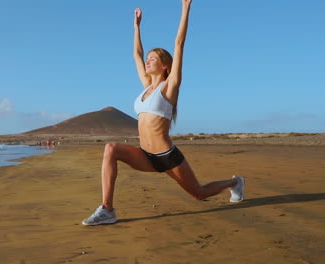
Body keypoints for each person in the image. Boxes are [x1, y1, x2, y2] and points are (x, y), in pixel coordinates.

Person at [82, 0, 245, 226]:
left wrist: (185, 9)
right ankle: (107, 209)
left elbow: (179, 44)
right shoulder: (145, 88)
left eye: (153, 59)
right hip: (145, 155)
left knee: (198, 193)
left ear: (165, 66)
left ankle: (234, 182)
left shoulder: (169, 87)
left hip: (166, 156)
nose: (147, 61)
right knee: (111, 149)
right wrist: (136, 27)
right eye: (148, 59)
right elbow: (136, 55)